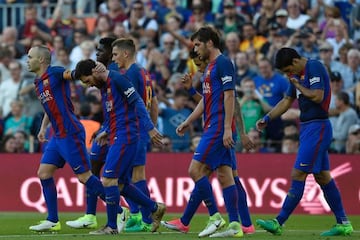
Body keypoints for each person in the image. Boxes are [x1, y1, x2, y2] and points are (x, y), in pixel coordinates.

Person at [256, 47, 353, 236]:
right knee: (323, 176)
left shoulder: (314, 67)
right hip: (308, 128)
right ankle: (343, 223)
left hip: (318, 127)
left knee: (298, 172)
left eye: (287, 71)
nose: (287, 75)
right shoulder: (297, 74)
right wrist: (267, 118)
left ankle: (278, 222)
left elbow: (317, 96)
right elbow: (286, 101)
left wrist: (298, 84)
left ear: (293, 62)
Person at [162, 47, 255, 236]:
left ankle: (222, 220)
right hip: (220, 129)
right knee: (227, 176)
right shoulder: (208, 75)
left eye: (198, 63)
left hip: (222, 130)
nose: (197, 68)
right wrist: (191, 91)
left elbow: (233, 102)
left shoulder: (218, 68)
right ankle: (240, 224)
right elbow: (208, 101)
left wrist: (242, 132)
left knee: (204, 173)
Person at [26, 45, 117, 233]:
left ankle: (119, 211)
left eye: (30, 57)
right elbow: (49, 107)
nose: (27, 60)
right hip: (57, 135)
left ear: (41, 60)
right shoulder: (38, 82)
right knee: (44, 173)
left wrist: (88, 71)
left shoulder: (56, 73)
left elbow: (74, 74)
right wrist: (44, 127)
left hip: (70, 133)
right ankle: (52, 220)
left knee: (84, 177)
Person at [74, 59, 166, 234]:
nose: (90, 85)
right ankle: (155, 208)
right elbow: (114, 112)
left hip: (126, 136)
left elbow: (137, 102)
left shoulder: (117, 79)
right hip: (116, 135)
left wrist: (150, 128)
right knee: (121, 184)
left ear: (94, 72)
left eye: (88, 80)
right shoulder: (104, 86)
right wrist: (106, 130)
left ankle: (111, 226)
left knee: (109, 180)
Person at [65, 37, 127, 231]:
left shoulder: (116, 73)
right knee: (93, 168)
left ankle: (134, 213)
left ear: (112, 52)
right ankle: (91, 215)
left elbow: (126, 104)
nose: (98, 53)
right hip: (108, 129)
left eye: (102, 50)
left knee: (121, 179)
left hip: (121, 131)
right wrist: (104, 128)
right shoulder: (101, 75)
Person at [111, 37, 159, 232]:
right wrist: (152, 127)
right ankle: (138, 215)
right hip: (141, 129)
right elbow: (153, 102)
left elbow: (133, 102)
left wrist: (147, 128)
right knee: (131, 175)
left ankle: (146, 220)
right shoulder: (144, 72)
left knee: (134, 176)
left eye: (115, 54)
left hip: (134, 128)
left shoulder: (130, 73)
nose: (114, 59)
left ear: (126, 53)